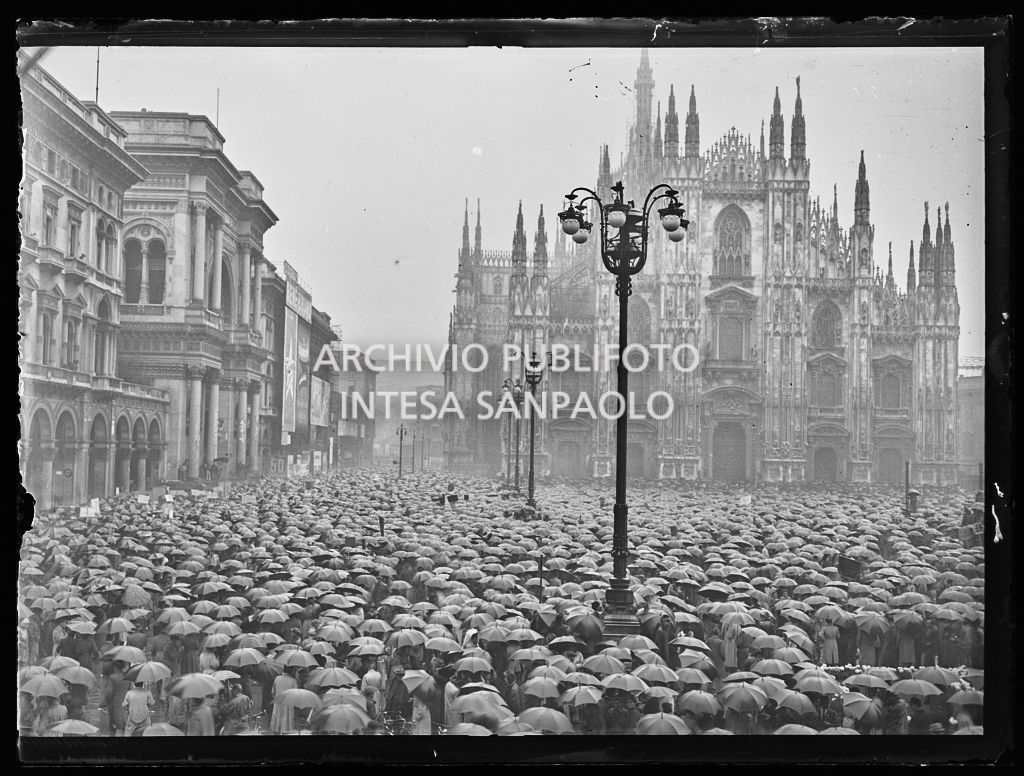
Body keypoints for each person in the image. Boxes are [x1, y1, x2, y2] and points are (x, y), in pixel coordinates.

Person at [102, 661, 130, 736]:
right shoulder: (128, 677)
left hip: (115, 704)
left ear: (115, 667)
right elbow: (130, 691)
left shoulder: (112, 677)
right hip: (126, 705)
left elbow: (109, 692)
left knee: (113, 729)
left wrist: (107, 702)